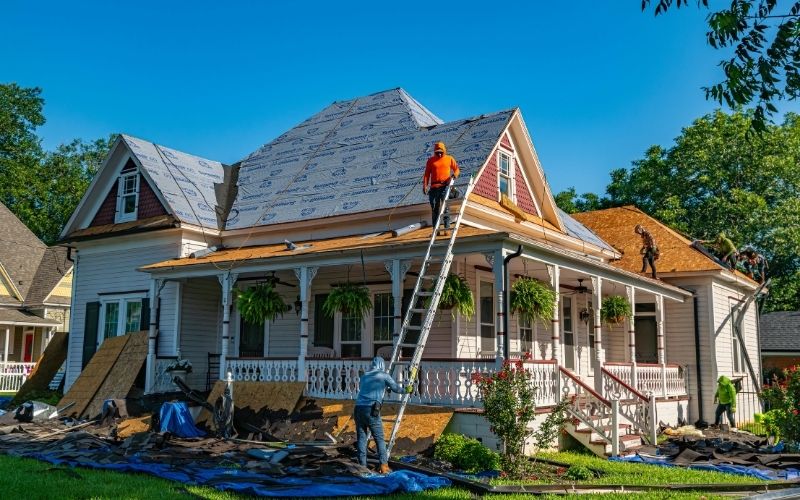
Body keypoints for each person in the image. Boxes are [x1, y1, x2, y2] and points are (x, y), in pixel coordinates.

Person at [354, 356, 408, 474]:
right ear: (382, 365)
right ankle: (384, 466)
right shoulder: (384, 376)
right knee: (379, 439)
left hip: (358, 408)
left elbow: (370, 388)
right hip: (371, 409)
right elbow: (396, 388)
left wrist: (385, 387)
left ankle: (362, 466)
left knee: (362, 438)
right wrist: (407, 390)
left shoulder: (365, 376)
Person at [422, 141, 459, 230]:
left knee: (445, 207)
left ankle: (446, 228)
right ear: (435, 152)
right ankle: (436, 230)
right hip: (434, 188)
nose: (439, 154)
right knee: (435, 209)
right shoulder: (431, 161)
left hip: (444, 186)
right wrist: (425, 186)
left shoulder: (449, 159)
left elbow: (456, 169)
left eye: (441, 152)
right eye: (437, 152)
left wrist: (454, 175)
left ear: (444, 151)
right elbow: (427, 174)